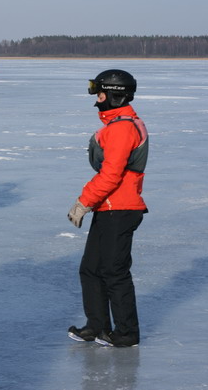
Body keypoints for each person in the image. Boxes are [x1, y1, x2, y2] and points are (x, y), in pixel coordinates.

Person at [67, 69, 148, 348]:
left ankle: (126, 332)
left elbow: (111, 175)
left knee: (114, 271)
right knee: (90, 269)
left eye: (100, 94)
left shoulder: (122, 128)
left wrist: (83, 202)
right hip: (109, 207)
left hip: (121, 209)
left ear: (114, 95)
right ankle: (97, 326)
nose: (96, 100)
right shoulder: (116, 125)